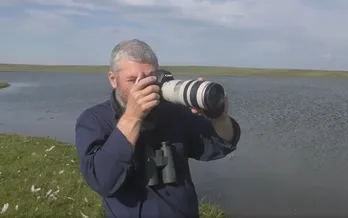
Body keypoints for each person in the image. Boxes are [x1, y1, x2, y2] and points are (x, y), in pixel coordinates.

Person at [74, 39, 241, 218]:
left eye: (149, 79)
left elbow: (220, 144)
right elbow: (101, 180)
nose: (143, 87)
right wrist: (132, 117)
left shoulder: (174, 112)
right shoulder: (94, 120)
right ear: (113, 80)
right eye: (132, 80)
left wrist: (219, 117)